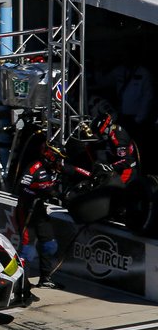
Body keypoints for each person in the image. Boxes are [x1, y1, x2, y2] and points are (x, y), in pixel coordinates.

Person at [15, 142, 90, 289]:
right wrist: (40, 192)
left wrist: (92, 175)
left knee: (50, 245)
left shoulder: (58, 166)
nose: (61, 162)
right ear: (50, 156)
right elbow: (21, 188)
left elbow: (74, 170)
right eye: (58, 158)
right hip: (27, 210)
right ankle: (21, 282)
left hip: (40, 211)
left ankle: (45, 279)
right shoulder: (34, 168)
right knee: (28, 249)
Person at [90, 113, 139, 185]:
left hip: (128, 170)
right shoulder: (113, 131)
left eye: (99, 134)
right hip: (120, 166)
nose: (99, 136)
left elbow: (127, 160)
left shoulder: (118, 138)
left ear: (106, 129)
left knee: (111, 188)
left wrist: (110, 167)